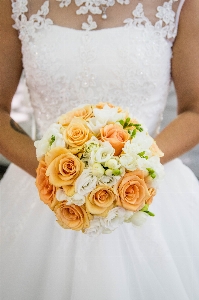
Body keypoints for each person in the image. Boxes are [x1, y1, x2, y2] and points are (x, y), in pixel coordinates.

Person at [0, 0, 199, 299]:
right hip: (42, 185)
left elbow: (195, 110)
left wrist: (134, 168)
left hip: (146, 190)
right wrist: (56, 175)